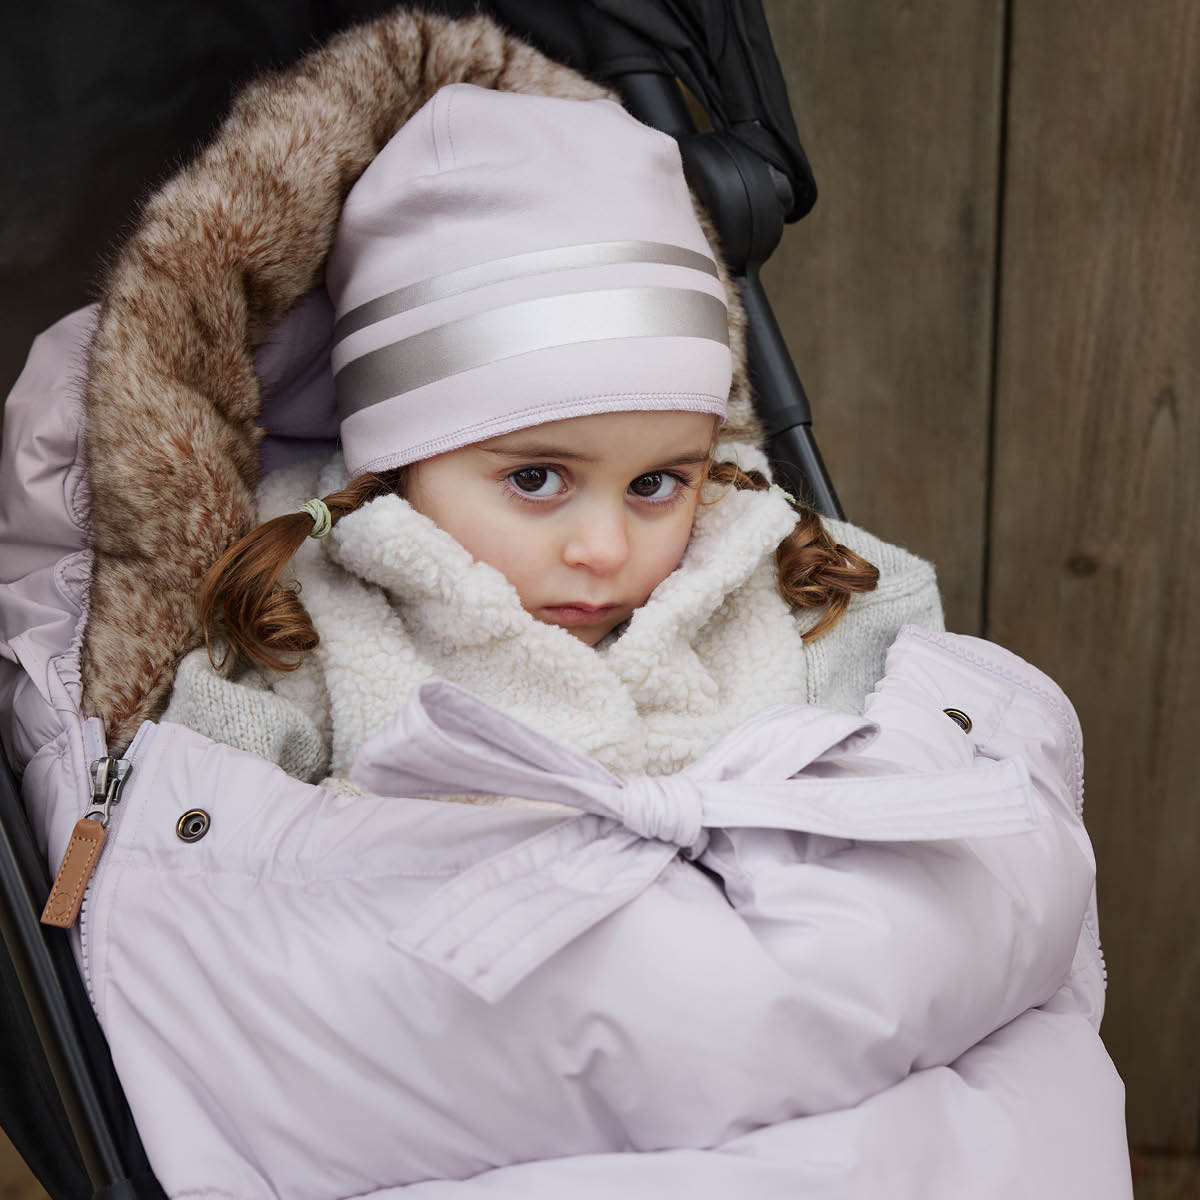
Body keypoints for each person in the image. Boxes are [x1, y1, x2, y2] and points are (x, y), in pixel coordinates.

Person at [0, 11, 1130, 1199]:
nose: (605, 546)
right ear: (395, 464)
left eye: (658, 483)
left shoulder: (773, 572)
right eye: (535, 479)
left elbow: (950, 823)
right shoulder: (297, 613)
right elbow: (223, 895)